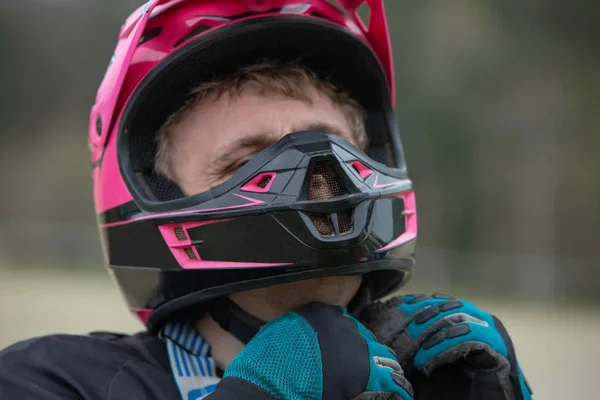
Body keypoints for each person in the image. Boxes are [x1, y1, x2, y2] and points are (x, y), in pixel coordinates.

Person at [0, 1, 533, 399]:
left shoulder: (441, 369)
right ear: (152, 197)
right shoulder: (50, 381)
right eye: (246, 160)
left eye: (334, 147)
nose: (311, 177)